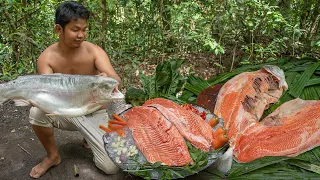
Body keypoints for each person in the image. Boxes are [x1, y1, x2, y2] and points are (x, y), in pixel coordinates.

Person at [29, 1, 122, 178]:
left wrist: (109, 80)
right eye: (75, 29)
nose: (81, 35)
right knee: (36, 112)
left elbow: (116, 79)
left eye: (84, 29)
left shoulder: (94, 51)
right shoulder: (47, 58)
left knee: (110, 168)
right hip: (64, 112)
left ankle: (90, 138)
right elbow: (49, 94)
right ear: (59, 29)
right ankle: (53, 156)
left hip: (94, 112)